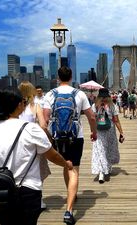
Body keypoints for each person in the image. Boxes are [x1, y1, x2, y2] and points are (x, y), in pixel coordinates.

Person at [0, 89, 73, 225]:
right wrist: (66, 164)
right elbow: (52, 155)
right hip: (27, 192)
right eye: (24, 103)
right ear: (19, 105)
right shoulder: (31, 129)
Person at [43, 66, 97, 225]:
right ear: (71, 77)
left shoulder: (50, 94)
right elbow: (91, 117)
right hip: (76, 136)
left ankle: (70, 194)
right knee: (74, 169)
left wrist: (49, 138)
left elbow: (45, 120)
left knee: (67, 167)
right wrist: (94, 133)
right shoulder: (79, 94)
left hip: (58, 137)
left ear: (57, 78)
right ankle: (69, 210)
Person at [18, 81, 50, 210]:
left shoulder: (15, 105)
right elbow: (43, 125)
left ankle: (20, 198)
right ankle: (38, 199)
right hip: (32, 142)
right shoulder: (35, 106)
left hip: (17, 142)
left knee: (19, 170)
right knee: (37, 170)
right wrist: (48, 136)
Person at [91, 88, 124, 183]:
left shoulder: (94, 106)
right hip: (110, 130)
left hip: (99, 131)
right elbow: (116, 120)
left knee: (100, 150)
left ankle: (103, 171)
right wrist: (121, 132)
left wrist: (93, 131)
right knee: (108, 149)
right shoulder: (112, 106)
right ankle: (104, 171)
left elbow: (93, 119)